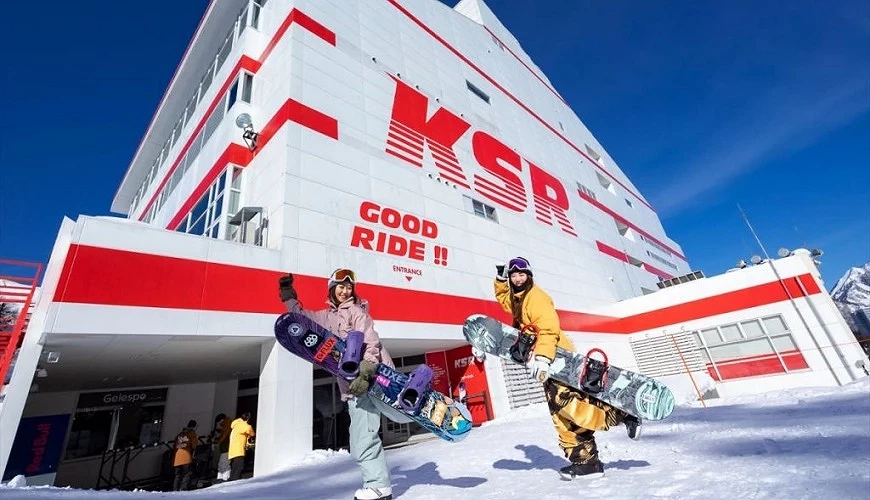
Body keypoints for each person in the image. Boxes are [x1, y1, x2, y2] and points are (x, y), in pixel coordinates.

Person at [476, 256, 641, 480]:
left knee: (567, 405)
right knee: (560, 414)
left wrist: (543, 357)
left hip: (556, 357)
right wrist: (499, 280)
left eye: (521, 274)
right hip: (544, 358)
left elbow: (548, 328)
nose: (517, 279)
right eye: (513, 276)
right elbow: (505, 300)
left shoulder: (536, 297)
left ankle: (621, 414)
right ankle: (586, 463)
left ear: (529, 276)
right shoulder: (519, 298)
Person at [278, 268, 397, 500]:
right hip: (352, 387)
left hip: (372, 378)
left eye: (349, 287)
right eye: (341, 287)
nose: (345, 291)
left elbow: (371, 340)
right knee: (360, 438)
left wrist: (368, 369)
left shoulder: (357, 311)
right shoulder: (326, 317)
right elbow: (300, 317)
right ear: (332, 289)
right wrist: (287, 294)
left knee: (368, 434)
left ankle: (378, 486)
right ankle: (378, 485)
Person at [228, 412, 255, 481]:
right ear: (248, 419)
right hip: (239, 449)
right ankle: (234, 481)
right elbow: (251, 432)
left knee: (234, 467)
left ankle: (233, 480)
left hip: (233, 449)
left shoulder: (236, 424)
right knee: (239, 466)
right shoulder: (244, 425)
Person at [172, 420, 198, 491]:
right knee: (187, 473)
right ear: (194, 426)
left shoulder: (180, 434)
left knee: (177, 475)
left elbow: (174, 445)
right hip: (186, 457)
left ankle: (175, 489)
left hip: (177, 457)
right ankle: (182, 489)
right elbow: (194, 445)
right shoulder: (192, 433)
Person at [210, 413, 232, 482]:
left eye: (219, 422)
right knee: (222, 463)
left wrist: (217, 440)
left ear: (222, 420)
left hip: (226, 447)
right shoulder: (227, 424)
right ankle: (221, 478)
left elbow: (224, 436)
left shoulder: (226, 424)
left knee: (224, 463)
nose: (219, 424)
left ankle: (224, 478)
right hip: (226, 447)